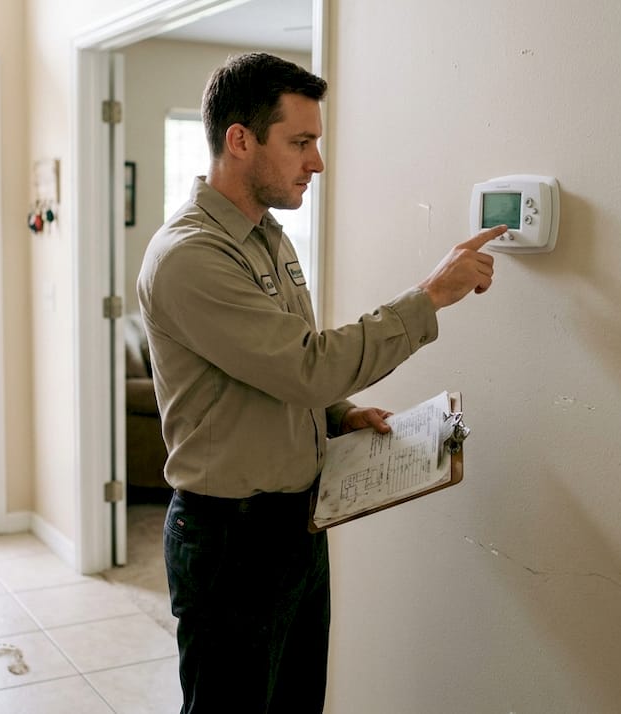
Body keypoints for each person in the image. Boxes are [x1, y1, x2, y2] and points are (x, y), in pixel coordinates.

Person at [136, 52, 505, 714]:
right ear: (240, 141)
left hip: (295, 525)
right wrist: (431, 296)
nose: (317, 162)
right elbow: (308, 363)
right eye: (301, 142)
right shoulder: (190, 257)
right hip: (230, 542)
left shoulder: (268, 236)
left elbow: (276, 367)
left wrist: (336, 414)